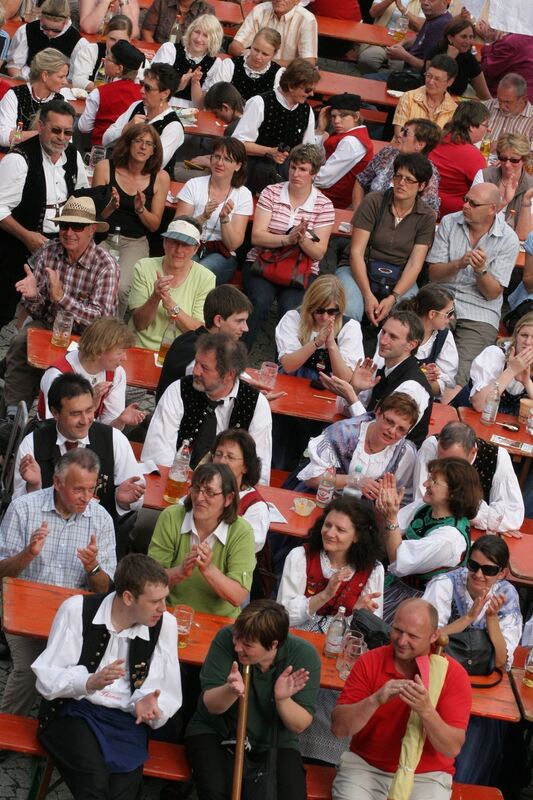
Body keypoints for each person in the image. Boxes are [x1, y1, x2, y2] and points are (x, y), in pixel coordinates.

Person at [33, 554, 182, 799]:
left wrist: (147, 703)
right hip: (73, 711)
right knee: (94, 786)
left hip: (125, 720)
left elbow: (166, 689)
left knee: (124, 793)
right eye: (155, 601)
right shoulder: (77, 609)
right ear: (128, 597)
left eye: (165, 598)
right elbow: (48, 677)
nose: (163, 608)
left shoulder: (166, 625)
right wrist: (88, 682)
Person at [0, 449, 117, 715]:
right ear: (57, 482)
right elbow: (2, 573)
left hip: (74, 619)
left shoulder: (102, 520)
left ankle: (58, 732)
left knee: (81, 668)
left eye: (91, 488)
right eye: (79, 490)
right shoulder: (24, 509)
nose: (87, 497)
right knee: (31, 667)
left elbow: (105, 589)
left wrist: (93, 567)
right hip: (22, 611)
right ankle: (7, 732)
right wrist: (27, 554)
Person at [277, 497, 383, 765]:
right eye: (328, 525)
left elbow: (371, 632)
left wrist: (358, 611)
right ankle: (284, 750)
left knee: (343, 689)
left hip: (339, 651)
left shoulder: (373, 570)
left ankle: (325, 762)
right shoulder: (300, 557)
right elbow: (282, 616)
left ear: (357, 537)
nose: (330, 533)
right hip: (297, 642)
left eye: (340, 529)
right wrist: (325, 594)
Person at [331, 598, 472, 800]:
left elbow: (452, 748)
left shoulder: (452, 674)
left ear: (434, 636)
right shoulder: (370, 661)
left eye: (413, 636)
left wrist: (426, 711)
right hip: (366, 767)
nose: (402, 640)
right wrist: (375, 700)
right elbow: (338, 729)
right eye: (397, 630)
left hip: (426, 776)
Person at [184, 599, 320, 800]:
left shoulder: (303, 655)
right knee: (216, 792)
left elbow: (299, 725)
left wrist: (282, 700)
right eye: (237, 637)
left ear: (273, 644)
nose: (238, 647)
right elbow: (210, 706)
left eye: (247, 644)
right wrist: (230, 691)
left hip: (275, 741)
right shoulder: (225, 639)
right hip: (218, 730)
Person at [3, 193, 119, 416]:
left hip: (90, 337)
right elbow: (40, 310)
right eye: (64, 225)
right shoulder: (49, 251)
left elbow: (101, 320)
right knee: (20, 341)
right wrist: (33, 296)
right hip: (50, 325)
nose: (69, 233)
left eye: (77, 226)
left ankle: (74, 415)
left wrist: (61, 297)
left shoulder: (106, 265)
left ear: (92, 230)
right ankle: (12, 414)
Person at [423, 536, 522, 784]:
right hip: (439, 677)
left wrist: (491, 620)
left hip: (481, 685)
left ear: (502, 573)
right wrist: (467, 619)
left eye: (488, 570)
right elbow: (425, 641)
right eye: (473, 565)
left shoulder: (507, 597)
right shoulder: (444, 585)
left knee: (468, 764)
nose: (478, 574)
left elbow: (502, 661)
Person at [14, 373, 146, 539]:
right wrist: (33, 487)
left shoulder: (115, 439)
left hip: (96, 540)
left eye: (89, 410)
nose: (85, 420)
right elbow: (16, 508)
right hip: (43, 537)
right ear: (55, 413)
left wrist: (123, 500)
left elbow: (136, 501)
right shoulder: (33, 443)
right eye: (75, 414)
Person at [0, 99, 88, 331]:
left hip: (60, 241)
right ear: (40, 127)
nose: (62, 137)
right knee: (5, 306)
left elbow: (80, 195)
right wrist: (26, 236)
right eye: (55, 130)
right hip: (18, 244)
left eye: (68, 132)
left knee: (54, 307)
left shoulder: (73, 156)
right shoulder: (19, 160)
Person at [142, 332, 272, 483]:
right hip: (174, 482)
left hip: (228, 492)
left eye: (204, 367)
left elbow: (259, 472)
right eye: (196, 362)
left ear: (229, 375)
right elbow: (157, 454)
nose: (195, 371)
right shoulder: (179, 390)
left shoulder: (256, 404)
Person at [427, 182, 520, 385]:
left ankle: (445, 405)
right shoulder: (450, 222)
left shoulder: (509, 239)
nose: (466, 206)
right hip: (443, 297)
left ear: (492, 209)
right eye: (466, 200)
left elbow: (492, 294)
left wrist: (481, 271)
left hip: (480, 310)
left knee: (461, 371)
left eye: (474, 204)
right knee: (424, 351)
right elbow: (433, 274)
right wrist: (459, 264)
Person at [242, 143, 334, 348]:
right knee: (259, 300)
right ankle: (237, 357)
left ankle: (284, 366)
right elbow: (256, 237)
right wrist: (287, 239)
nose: (295, 174)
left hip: (301, 270)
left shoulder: (324, 204)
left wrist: (300, 239)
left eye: (303, 169)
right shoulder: (271, 192)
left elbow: (319, 253)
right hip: (262, 263)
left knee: (292, 309)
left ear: (314, 174)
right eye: (293, 167)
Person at [377, 457, 482, 620]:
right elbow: (390, 534)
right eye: (429, 477)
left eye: (434, 481)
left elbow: (397, 560)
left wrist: (390, 518)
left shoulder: (449, 539)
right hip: (395, 584)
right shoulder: (425, 507)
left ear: (453, 492)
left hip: (420, 603)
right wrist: (385, 511)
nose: (425, 484)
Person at [337, 153, 436, 324]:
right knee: (351, 309)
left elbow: (415, 264)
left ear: (422, 186)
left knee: (408, 318)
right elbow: (356, 252)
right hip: (360, 268)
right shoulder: (374, 201)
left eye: (409, 180)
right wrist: (367, 294)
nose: (401, 183)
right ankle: (341, 350)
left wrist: (393, 297)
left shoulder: (426, 216)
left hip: (399, 275)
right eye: (398, 176)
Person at [148, 462, 256, 616]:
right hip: (170, 613)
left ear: (229, 498)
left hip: (219, 621)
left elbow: (237, 596)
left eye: (210, 492)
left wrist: (208, 569)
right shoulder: (172, 517)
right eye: (196, 489)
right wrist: (181, 572)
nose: (199, 498)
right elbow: (149, 580)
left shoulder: (242, 532)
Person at [320, 310, 433, 448]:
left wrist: (351, 396)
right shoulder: (383, 370)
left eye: (393, 337)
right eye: (384, 332)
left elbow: (385, 433)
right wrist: (355, 388)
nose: (383, 340)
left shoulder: (412, 387)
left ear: (411, 345)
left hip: (394, 460)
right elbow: (343, 410)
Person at [93, 123, 171, 315]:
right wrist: (110, 206)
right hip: (103, 236)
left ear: (154, 150)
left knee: (120, 288)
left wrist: (141, 209)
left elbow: (154, 226)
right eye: (138, 141)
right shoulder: (105, 168)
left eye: (148, 144)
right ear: (128, 144)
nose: (143, 147)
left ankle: (111, 334)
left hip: (134, 241)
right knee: (94, 281)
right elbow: (92, 217)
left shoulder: (160, 177)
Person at [414, 420, 524, 543]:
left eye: (454, 461)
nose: (447, 467)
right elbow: (421, 502)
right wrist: (479, 515)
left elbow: (512, 517)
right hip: (431, 531)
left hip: (477, 538)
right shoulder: (431, 445)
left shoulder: (497, 456)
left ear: (473, 452)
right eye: (441, 459)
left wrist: (474, 516)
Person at [296, 392, 418, 501]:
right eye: (389, 421)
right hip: (322, 500)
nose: (392, 431)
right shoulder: (342, 433)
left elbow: (403, 498)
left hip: (364, 514)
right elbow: (312, 480)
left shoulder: (405, 453)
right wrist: (355, 481)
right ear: (378, 412)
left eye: (401, 429)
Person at [37, 318, 145, 429]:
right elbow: (57, 429)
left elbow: (108, 429)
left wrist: (119, 420)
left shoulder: (117, 373)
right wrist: (90, 407)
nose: (125, 358)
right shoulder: (58, 375)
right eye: (120, 353)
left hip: (90, 436)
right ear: (99, 350)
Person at [232, 59, 320, 194]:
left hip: (287, 177)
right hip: (251, 172)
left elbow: (308, 151)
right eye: (307, 89)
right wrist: (269, 151)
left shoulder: (307, 111)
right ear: (291, 86)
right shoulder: (260, 103)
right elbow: (237, 144)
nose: (311, 94)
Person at [128, 216, 215, 351]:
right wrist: (155, 297)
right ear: (164, 242)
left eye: (186, 244)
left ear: (196, 248)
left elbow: (198, 333)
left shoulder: (206, 278)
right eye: (174, 242)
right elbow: (139, 324)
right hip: (139, 347)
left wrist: (170, 305)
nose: (179, 250)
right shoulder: (143, 266)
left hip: (178, 353)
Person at [174, 137, 253, 285]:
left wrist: (224, 219)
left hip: (222, 253)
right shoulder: (194, 185)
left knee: (199, 271)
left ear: (238, 166)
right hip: (189, 244)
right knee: (181, 267)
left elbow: (233, 245)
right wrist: (202, 217)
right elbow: (177, 228)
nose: (219, 163)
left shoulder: (243, 194)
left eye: (227, 159)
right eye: (216, 156)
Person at [156, 284, 252, 401]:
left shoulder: (192, 339)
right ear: (218, 320)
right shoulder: (197, 353)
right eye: (239, 321)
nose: (245, 328)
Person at [275, 274, 363, 382]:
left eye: (331, 312)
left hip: (329, 385)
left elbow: (345, 378)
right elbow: (288, 366)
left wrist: (331, 345)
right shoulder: (293, 318)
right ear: (310, 305)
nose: (325, 317)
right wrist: (316, 343)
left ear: (339, 309)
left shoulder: (350, 327)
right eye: (319, 310)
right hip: (293, 378)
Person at [102, 63, 184, 172]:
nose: (141, 91)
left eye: (148, 88)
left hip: (149, 183)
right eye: (142, 84)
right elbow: (105, 140)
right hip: (119, 172)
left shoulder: (173, 126)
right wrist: (126, 129)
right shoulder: (137, 106)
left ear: (165, 94)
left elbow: (155, 165)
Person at [354, 117, 441, 214]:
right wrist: (358, 213)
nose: (399, 134)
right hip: (367, 216)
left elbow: (431, 212)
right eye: (402, 130)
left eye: (405, 133)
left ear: (420, 145)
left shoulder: (429, 174)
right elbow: (361, 181)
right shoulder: (387, 153)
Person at [390, 284, 458, 397]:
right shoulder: (397, 329)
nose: (452, 318)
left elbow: (444, 385)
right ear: (432, 314)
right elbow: (383, 372)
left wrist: (427, 377)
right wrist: (417, 376)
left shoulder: (444, 336)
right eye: (449, 313)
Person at [462, 311, 533, 418]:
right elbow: (479, 405)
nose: (527, 342)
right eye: (524, 335)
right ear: (516, 336)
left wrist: (527, 382)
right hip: (471, 422)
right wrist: (511, 371)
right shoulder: (495, 354)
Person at [77, 40, 145, 148]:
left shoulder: (99, 93)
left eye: (108, 59)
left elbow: (84, 127)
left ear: (119, 68)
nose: (104, 60)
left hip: (101, 152)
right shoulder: (144, 93)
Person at [211, 428, 270, 553]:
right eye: (218, 454)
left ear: (245, 466)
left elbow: (247, 548)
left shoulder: (256, 507)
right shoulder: (201, 489)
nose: (221, 461)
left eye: (230, 457)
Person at [428, 101, 490, 218]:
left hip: (423, 202)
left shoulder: (436, 138)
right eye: (486, 125)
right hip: (452, 214)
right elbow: (482, 190)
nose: (488, 129)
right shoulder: (473, 156)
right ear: (472, 126)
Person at [314, 93, 374, 210]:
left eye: (342, 116)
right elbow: (317, 158)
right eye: (333, 116)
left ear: (356, 117)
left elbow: (323, 179)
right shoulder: (346, 135)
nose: (336, 121)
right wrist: (320, 130)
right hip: (324, 194)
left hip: (332, 201)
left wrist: (302, 176)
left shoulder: (352, 141)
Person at [0, 47, 68, 148]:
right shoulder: (15, 95)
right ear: (45, 75)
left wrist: (20, 134)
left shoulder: (60, 102)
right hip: (14, 156)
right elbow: (4, 137)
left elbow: (67, 141)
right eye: (61, 77)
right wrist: (42, 133)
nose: (65, 82)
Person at [151, 14, 223, 109]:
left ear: (214, 39)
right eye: (197, 32)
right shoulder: (170, 49)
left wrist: (195, 83)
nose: (198, 39)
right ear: (190, 32)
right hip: (162, 105)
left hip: (193, 112)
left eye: (205, 35)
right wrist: (178, 86)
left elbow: (201, 106)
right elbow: (152, 89)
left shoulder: (215, 64)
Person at [472, 133, 533, 241]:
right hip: (481, 237)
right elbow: (473, 217)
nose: (507, 164)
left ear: (524, 159)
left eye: (514, 160)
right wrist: (504, 201)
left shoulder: (530, 186)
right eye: (503, 158)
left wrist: (526, 204)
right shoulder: (484, 175)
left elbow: (523, 236)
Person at [7, 0, 85, 81]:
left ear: (66, 22)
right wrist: (22, 83)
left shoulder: (77, 42)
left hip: (59, 87)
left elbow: (74, 79)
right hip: (27, 80)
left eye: (56, 30)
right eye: (45, 28)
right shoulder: (27, 30)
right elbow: (14, 65)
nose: (50, 33)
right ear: (40, 18)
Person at [204, 28, 283, 103]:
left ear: (274, 54)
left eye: (265, 54)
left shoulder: (279, 74)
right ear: (251, 45)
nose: (258, 57)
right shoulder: (230, 65)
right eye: (256, 49)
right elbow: (212, 97)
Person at [229, 0, 318, 66]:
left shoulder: (306, 20)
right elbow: (234, 47)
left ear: (297, 1)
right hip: (256, 70)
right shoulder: (260, 10)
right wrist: (252, 55)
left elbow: (308, 63)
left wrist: (265, 62)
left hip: (286, 77)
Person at [378, 0, 452, 77]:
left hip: (415, 76)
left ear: (444, 3)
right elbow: (419, 36)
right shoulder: (434, 16)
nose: (425, 3)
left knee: (369, 77)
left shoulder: (440, 25)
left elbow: (429, 67)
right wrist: (401, 44)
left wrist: (404, 56)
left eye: (431, 0)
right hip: (407, 65)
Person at [392, 55, 458, 140]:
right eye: (429, 76)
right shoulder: (409, 97)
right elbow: (399, 134)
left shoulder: (454, 110)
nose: (430, 82)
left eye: (437, 79)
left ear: (450, 82)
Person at [427, 15, 491, 99]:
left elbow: (485, 96)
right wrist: (449, 59)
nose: (468, 41)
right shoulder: (435, 51)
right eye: (463, 36)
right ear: (450, 38)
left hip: (454, 105)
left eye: (471, 37)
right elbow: (433, 85)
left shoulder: (469, 59)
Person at [70, 13, 137, 91]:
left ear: (130, 39)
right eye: (112, 39)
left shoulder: (137, 60)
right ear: (106, 36)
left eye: (122, 41)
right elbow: (78, 80)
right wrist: (106, 92)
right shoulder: (91, 50)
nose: (116, 45)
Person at [355, 0, 423, 75]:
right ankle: (369, 82)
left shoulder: (423, 1)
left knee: (398, 67)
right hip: (379, 41)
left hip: (404, 46)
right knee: (367, 59)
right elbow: (373, 13)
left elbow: (421, 26)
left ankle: (390, 83)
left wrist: (402, 9)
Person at [485, 74, 533, 152]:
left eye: (507, 102)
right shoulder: (488, 106)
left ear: (523, 99)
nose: (502, 107)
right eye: (500, 100)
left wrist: (509, 149)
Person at [481, 33, 533, 104]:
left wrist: (488, 43)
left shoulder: (512, 41)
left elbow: (486, 70)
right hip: (525, 101)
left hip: (509, 102)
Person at [141, 0, 214, 45]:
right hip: (159, 52)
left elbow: (209, 41)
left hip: (190, 57)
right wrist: (158, 53)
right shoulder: (162, 2)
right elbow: (147, 31)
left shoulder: (206, 10)